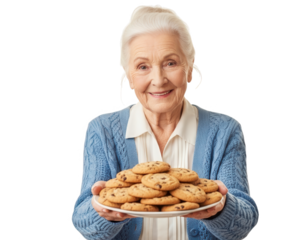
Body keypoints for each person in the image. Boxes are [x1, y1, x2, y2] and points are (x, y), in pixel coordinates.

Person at [70, 4, 259, 240]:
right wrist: (104, 213)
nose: (158, 80)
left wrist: (221, 209)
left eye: (170, 62)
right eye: (142, 66)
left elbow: (244, 224)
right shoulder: (102, 130)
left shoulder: (225, 130)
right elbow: (82, 222)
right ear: (127, 75)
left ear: (191, 68)